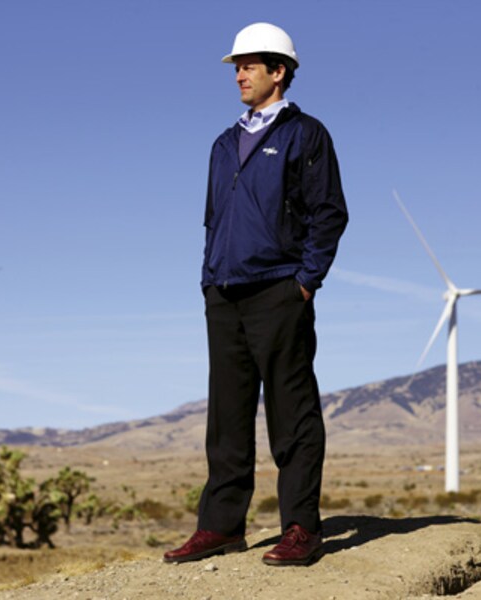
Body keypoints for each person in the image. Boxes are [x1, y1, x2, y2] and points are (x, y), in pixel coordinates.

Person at [164, 23, 349, 567]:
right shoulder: (223, 144)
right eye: (236, 66)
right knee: (226, 415)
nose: (239, 73)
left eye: (250, 64)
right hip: (224, 293)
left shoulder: (305, 134)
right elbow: (212, 219)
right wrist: (208, 278)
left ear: (279, 71)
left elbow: (329, 213)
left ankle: (300, 528)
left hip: (279, 290)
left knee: (291, 413)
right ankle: (221, 527)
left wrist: (305, 281)